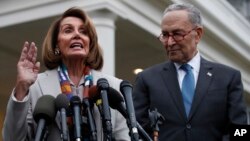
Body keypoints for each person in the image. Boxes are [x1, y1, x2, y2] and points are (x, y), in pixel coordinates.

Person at [2, 7, 130, 141]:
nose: (77, 35)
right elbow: (12, 138)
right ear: (56, 45)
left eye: (83, 31)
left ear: (89, 43)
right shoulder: (35, 86)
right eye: (68, 30)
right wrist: (22, 87)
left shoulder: (113, 86)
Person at [133, 3, 247, 141]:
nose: (169, 42)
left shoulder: (228, 78)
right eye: (165, 35)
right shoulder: (147, 79)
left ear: (197, 34)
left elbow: (240, 131)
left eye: (177, 34)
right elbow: (137, 130)